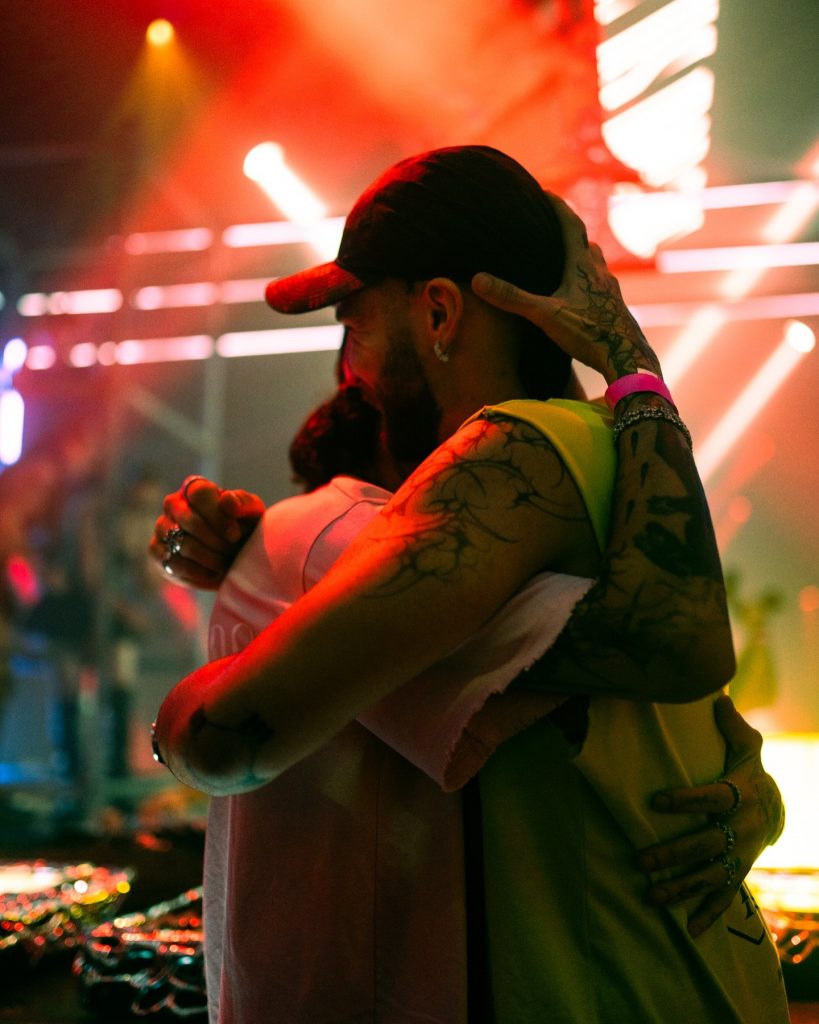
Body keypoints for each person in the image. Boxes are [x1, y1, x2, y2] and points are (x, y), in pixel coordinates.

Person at [151, 147, 786, 1022]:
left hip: (608, 990)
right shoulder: (619, 451)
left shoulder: (508, 457)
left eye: (355, 322)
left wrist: (195, 686)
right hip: (691, 978)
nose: (350, 366)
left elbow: (224, 742)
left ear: (440, 311)